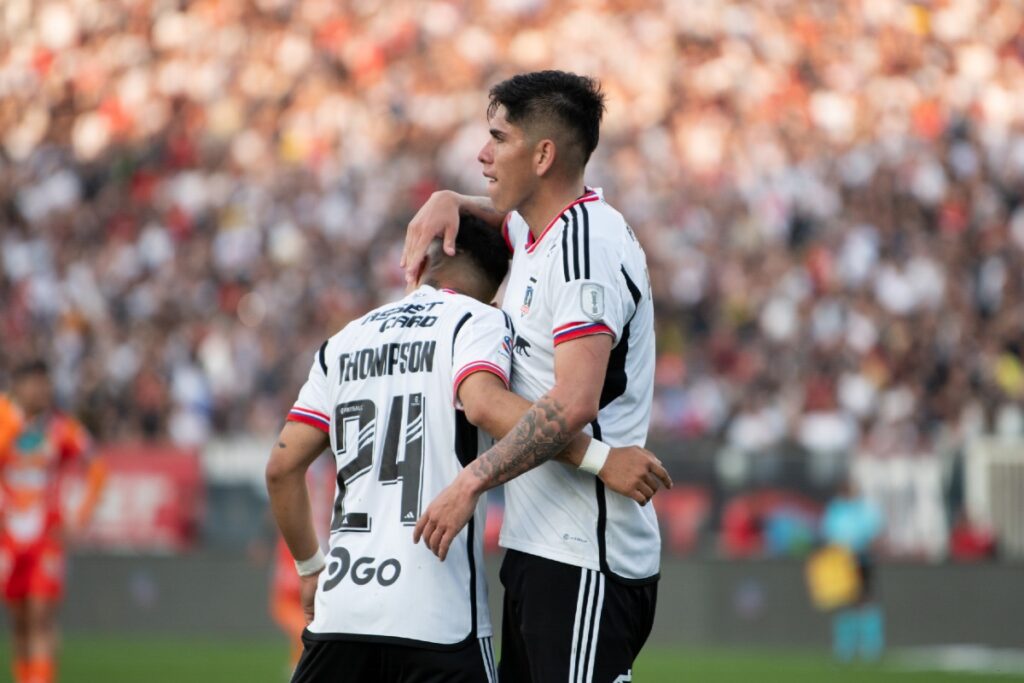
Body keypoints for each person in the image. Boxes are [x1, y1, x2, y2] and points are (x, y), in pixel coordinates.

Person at [266, 216, 669, 682]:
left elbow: (281, 468)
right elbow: (484, 406)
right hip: (439, 619)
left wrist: (311, 568)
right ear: (497, 287)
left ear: (420, 265)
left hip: (341, 614)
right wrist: (599, 458)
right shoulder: (478, 320)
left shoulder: (342, 343)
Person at [405, 70, 663, 683]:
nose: (482, 154)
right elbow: (506, 226)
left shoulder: (586, 248)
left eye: (499, 138)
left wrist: (473, 482)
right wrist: (452, 201)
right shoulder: (538, 232)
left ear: (543, 155)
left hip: (585, 557)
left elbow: (573, 402)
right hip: (539, 550)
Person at [0, 360, 106, 683]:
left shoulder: (61, 428)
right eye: (33, 383)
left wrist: (80, 515)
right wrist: (15, 424)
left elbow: (97, 468)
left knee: (41, 616)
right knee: (19, 622)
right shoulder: (5, 420)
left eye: (44, 384)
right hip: (8, 536)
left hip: (47, 535)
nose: (40, 390)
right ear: (17, 387)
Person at [820, 481, 885, 662]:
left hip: (862, 560)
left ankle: (872, 647)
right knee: (844, 603)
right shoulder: (835, 509)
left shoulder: (864, 509)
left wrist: (864, 548)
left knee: (866, 602)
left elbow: (875, 534)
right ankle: (844, 648)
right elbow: (828, 533)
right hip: (841, 563)